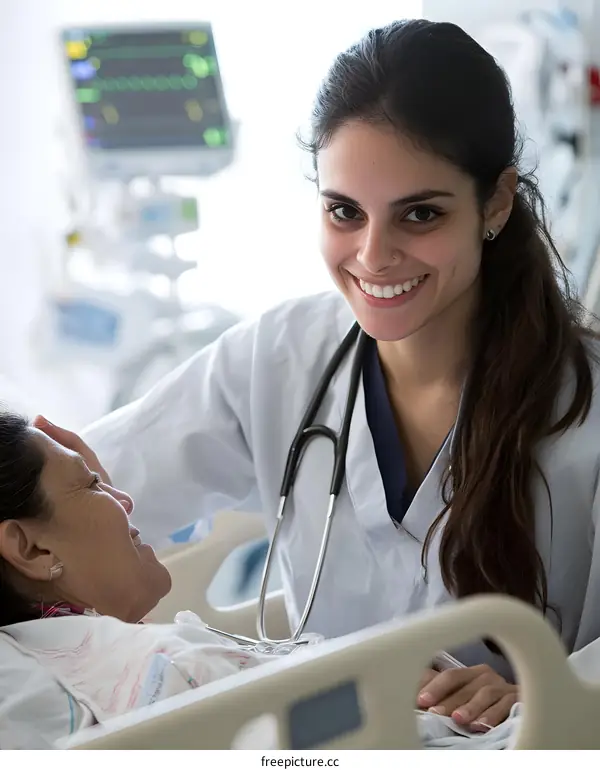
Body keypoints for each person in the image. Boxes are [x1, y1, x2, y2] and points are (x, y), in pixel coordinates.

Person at [35, 18, 600, 732]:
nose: (373, 255)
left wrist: (546, 690)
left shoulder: (584, 409)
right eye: (344, 212)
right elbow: (78, 501)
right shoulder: (277, 356)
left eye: (419, 214)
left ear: (494, 202)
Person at [0, 412, 278, 744]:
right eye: (91, 483)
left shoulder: (115, 677)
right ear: (32, 550)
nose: (126, 501)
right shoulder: (183, 672)